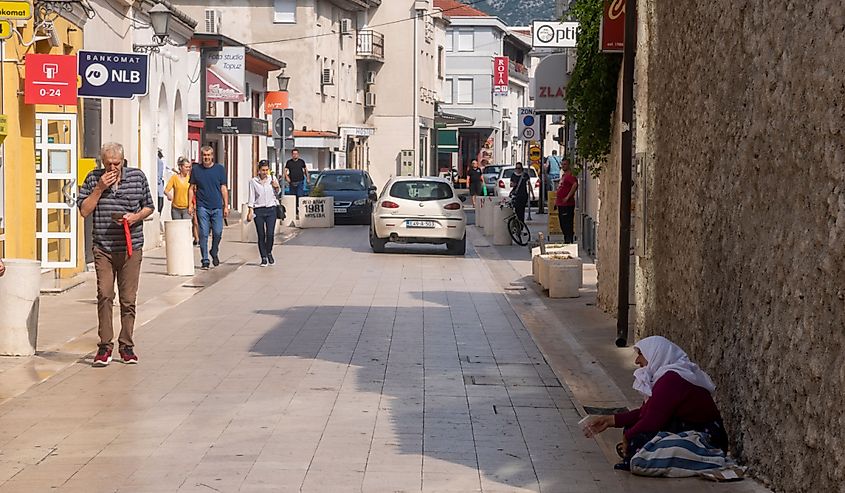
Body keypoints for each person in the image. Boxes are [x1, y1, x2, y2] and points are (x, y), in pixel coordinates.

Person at [582, 336, 728, 471]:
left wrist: (628, 437)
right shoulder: (667, 377)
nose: (637, 361)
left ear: (655, 355)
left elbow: (652, 420)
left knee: (639, 435)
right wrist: (610, 420)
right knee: (634, 430)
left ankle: (638, 457)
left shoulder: (672, 379)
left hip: (708, 441)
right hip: (692, 430)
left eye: (641, 355)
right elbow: (645, 412)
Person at [77, 142, 154, 367]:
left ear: (123, 160)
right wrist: (99, 189)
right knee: (105, 294)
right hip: (103, 248)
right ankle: (104, 345)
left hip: (131, 247)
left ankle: (126, 345)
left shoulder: (137, 177)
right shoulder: (93, 179)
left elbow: (149, 206)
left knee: (128, 299)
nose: (112, 168)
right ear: (102, 162)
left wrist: (135, 217)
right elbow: (84, 211)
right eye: (108, 163)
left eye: (116, 163)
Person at [189, 146, 229, 270]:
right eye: (204, 155)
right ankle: (205, 259)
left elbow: (223, 188)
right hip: (202, 207)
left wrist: (226, 205)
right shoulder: (196, 170)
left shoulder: (219, 169)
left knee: (218, 232)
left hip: (217, 206)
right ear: (202, 156)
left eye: (208, 155)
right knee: (204, 234)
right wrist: (190, 204)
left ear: (212, 156)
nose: (206, 157)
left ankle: (214, 250)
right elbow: (191, 188)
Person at [246, 160, 281, 267]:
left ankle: (269, 252)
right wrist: (250, 210)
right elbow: (251, 196)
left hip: (271, 209)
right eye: (263, 170)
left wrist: (276, 186)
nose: (265, 172)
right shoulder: (253, 181)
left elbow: (277, 193)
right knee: (261, 235)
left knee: (270, 234)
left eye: (267, 170)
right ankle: (263, 257)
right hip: (259, 210)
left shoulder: (272, 179)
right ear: (259, 171)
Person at [165, 157, 199, 245]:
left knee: (186, 230)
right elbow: (166, 190)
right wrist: (168, 194)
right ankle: (178, 248)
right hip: (175, 208)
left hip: (187, 208)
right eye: (186, 167)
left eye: (189, 167)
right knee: (177, 231)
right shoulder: (174, 178)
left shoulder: (191, 179)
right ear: (180, 167)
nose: (188, 169)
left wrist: (192, 205)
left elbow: (195, 192)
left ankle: (186, 247)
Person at [555, 159, 578, 243]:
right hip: (561, 204)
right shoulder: (564, 176)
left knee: (566, 223)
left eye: (565, 164)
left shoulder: (570, 176)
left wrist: (568, 197)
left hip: (567, 204)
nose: (563, 166)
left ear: (568, 165)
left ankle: (569, 240)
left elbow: (575, 185)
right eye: (562, 164)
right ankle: (566, 239)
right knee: (562, 223)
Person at [284, 148, 308, 214]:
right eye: (293, 154)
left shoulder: (301, 161)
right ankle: (294, 210)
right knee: (293, 196)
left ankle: (300, 210)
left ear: (298, 154)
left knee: (300, 195)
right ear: (292, 155)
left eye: (296, 154)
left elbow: (305, 169)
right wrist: (287, 177)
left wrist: (308, 177)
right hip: (292, 182)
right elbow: (285, 171)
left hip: (300, 181)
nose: (295, 155)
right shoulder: (289, 162)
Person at [156, 149, 166, 214]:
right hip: (159, 183)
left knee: (160, 204)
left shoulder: (160, 161)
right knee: (160, 203)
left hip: (160, 183)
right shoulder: (159, 161)